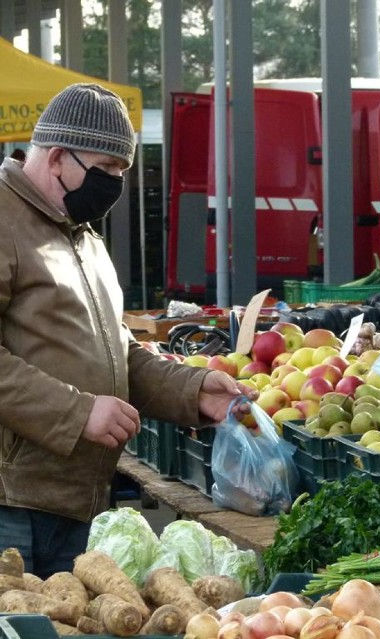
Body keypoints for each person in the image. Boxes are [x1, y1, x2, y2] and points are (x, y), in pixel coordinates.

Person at [0, 83, 256, 579]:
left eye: (123, 170)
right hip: (13, 504)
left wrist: (192, 389)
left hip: (76, 499)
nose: (115, 184)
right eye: (106, 169)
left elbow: (116, 351)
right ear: (56, 158)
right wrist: (77, 413)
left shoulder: (82, 234)